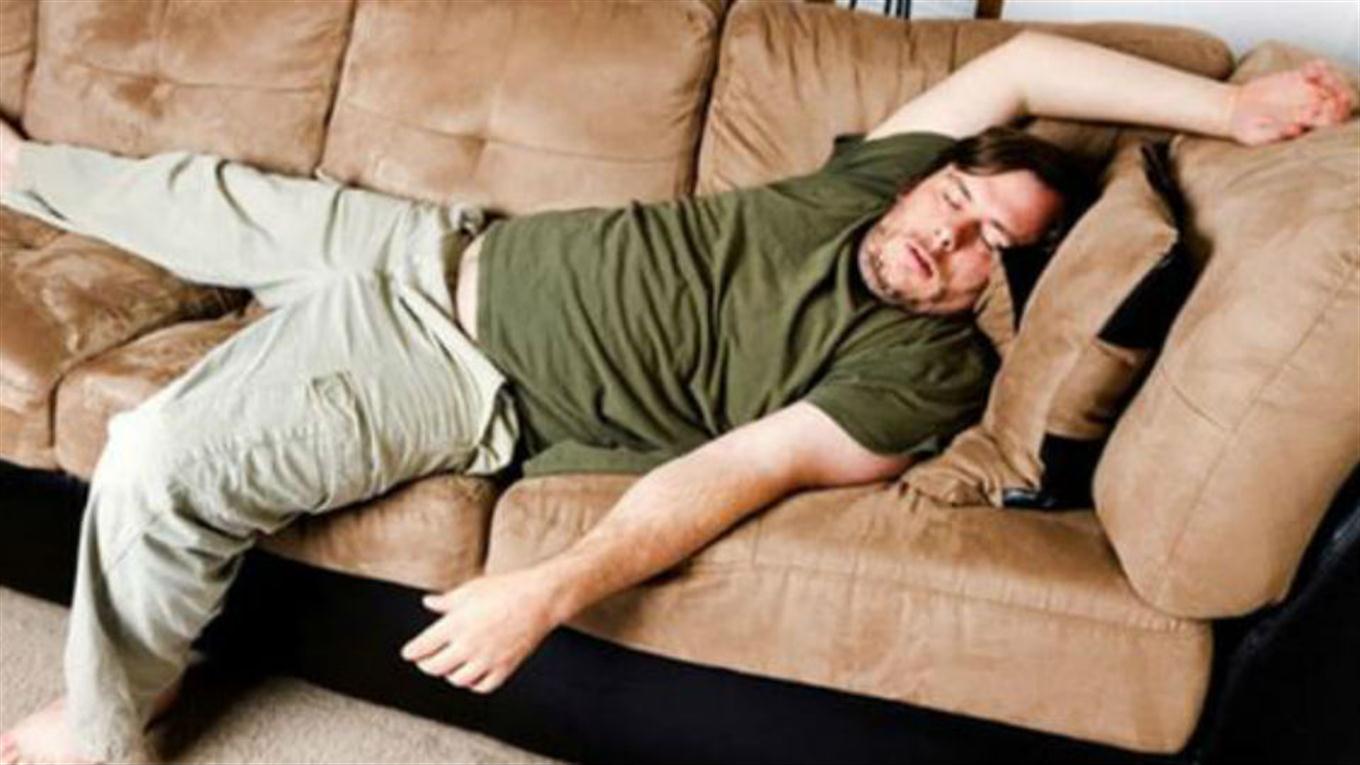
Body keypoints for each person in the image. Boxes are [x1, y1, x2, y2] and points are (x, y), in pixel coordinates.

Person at [0, 28, 1350, 764]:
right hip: (429, 241)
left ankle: (105, 728)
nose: (942, 236)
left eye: (984, 244)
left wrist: (551, 586)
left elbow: (736, 471)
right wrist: (1225, 110)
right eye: (954, 196)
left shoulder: (920, 373)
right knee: (159, 190)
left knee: (163, 457)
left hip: (447, 360)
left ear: (1002, 284)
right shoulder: (869, 187)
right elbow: (1022, 67)